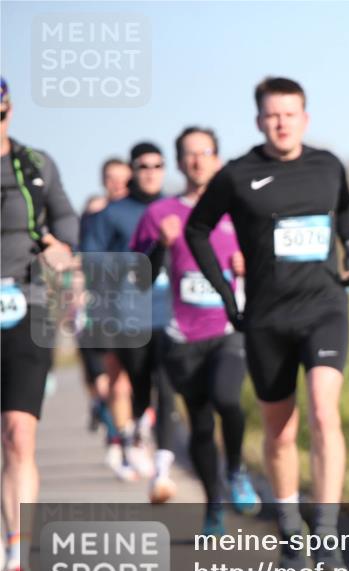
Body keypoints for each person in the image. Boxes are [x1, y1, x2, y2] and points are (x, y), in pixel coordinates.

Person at [186, 77, 349, 569]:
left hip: (325, 307)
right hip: (267, 317)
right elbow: (196, 228)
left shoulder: (327, 165)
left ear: (305, 118)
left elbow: (346, 211)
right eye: (272, 115)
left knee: (325, 414)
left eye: (290, 113)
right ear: (259, 121)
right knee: (280, 430)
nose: (282, 122)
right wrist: (226, 292)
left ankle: (326, 531)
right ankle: (289, 527)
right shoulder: (239, 174)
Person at [130, 126, 260, 528]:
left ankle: (237, 469)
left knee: (228, 400)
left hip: (228, 328)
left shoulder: (238, 210)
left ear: (217, 158)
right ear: (180, 161)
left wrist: (247, 266)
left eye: (204, 152)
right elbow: (136, 281)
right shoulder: (160, 215)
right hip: (183, 337)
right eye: (189, 153)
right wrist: (159, 248)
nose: (197, 160)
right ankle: (213, 505)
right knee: (201, 427)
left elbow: (269, 267)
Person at [0, 76, 78, 571]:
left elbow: (67, 218)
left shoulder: (34, 164)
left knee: (17, 434)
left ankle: (15, 565)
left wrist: (64, 248)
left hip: (27, 308)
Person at [81, 141, 176, 482]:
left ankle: (162, 467)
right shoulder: (111, 214)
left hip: (172, 315)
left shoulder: (176, 208)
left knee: (165, 388)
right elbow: (92, 264)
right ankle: (131, 433)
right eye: (143, 166)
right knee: (134, 386)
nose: (150, 172)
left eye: (157, 165)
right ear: (132, 171)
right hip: (127, 317)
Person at [77, 158, 131, 436]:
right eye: (111, 178)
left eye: (123, 178)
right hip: (101, 306)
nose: (118, 184)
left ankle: (128, 430)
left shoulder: (140, 213)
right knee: (109, 378)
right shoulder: (93, 217)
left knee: (130, 381)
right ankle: (119, 435)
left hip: (137, 306)